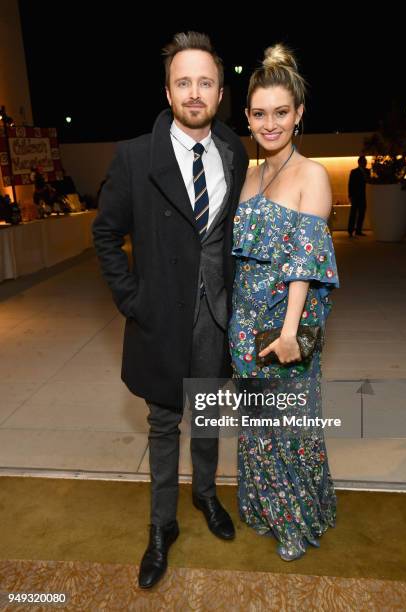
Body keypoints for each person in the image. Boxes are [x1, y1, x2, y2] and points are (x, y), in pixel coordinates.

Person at [92, 31, 248, 589]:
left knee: (207, 414)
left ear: (220, 90)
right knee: (164, 424)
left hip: (216, 315)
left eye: (205, 82)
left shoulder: (233, 148)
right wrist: (133, 301)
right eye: (184, 82)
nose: (194, 92)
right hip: (160, 316)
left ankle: (206, 495)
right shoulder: (136, 156)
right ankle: (162, 527)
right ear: (167, 90)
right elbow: (106, 235)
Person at [228, 44, 339, 561]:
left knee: (289, 428)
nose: (269, 124)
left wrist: (291, 330)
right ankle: (264, 507)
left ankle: (297, 519)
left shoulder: (311, 174)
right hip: (243, 327)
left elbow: (306, 261)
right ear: (248, 116)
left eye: (280, 112)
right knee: (257, 428)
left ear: (298, 115)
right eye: (258, 113)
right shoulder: (251, 175)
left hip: (283, 331)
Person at [347, 155, 369, 237]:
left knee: (362, 213)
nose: (365, 163)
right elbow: (350, 184)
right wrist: (350, 195)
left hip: (364, 196)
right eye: (364, 162)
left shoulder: (368, 171)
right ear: (360, 162)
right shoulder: (354, 172)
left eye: (366, 162)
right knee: (353, 214)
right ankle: (350, 230)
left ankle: (358, 230)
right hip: (355, 196)